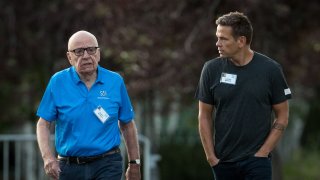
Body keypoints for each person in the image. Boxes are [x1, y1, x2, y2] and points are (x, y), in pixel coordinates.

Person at [195, 12, 292, 180]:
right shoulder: (211, 69)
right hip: (223, 163)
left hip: (257, 162)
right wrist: (211, 157)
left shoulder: (271, 70)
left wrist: (263, 152)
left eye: (224, 39)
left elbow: (282, 115)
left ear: (241, 41)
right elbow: (204, 115)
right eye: (217, 38)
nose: (218, 43)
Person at [36, 30, 141, 180]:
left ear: (98, 53)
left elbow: (127, 124)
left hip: (107, 163)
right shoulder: (58, 82)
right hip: (69, 166)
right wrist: (48, 158)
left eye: (91, 50)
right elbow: (43, 124)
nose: (86, 56)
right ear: (69, 57)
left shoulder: (115, 81)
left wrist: (134, 164)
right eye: (78, 51)